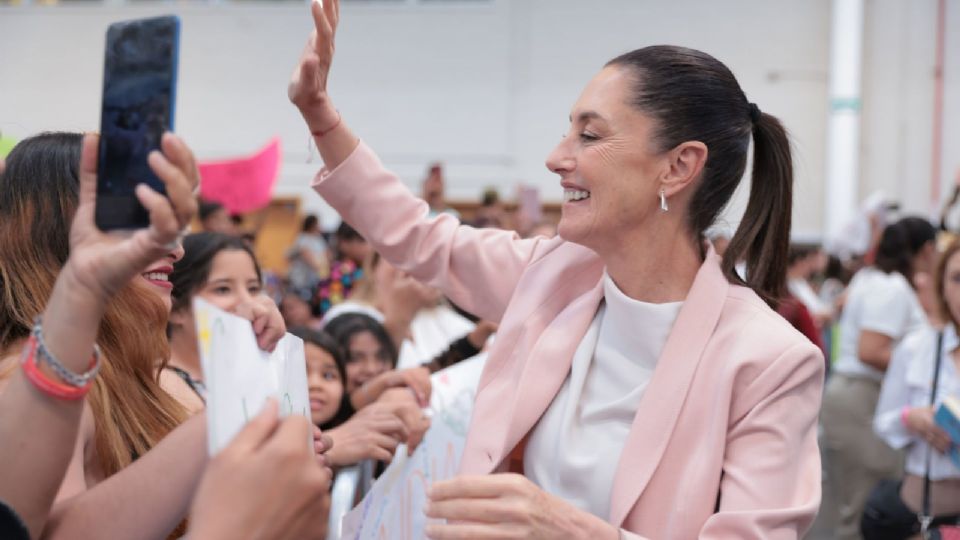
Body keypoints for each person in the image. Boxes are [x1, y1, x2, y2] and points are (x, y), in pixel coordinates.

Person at [289, 1, 824, 537]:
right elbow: (423, 238)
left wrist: (567, 529)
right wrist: (320, 116)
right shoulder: (557, 277)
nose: (555, 157)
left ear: (678, 166)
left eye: (589, 136)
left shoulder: (769, 363)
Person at [0, 132, 314, 539]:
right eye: (140, 223)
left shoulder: (129, 370)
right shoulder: (21, 385)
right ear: (60, 235)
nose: (176, 250)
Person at [820, 216, 937, 539]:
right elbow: (870, 351)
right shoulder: (890, 286)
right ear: (926, 250)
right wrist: (923, 374)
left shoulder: (872, 279)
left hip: (854, 396)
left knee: (855, 506)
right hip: (862, 398)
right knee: (863, 510)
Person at [867, 239, 960, 535]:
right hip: (926, 514)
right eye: (957, 278)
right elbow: (884, 421)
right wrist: (911, 417)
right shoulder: (916, 348)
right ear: (942, 287)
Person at [164, 231, 285, 411]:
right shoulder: (161, 386)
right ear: (176, 309)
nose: (249, 303)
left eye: (253, 288)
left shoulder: (262, 371)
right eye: (222, 289)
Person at [287, 214, 331, 297]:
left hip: (316, 278)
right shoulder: (303, 239)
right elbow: (309, 258)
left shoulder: (318, 238)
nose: (319, 226)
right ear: (312, 225)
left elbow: (327, 254)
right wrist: (323, 269)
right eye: (317, 223)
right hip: (303, 280)